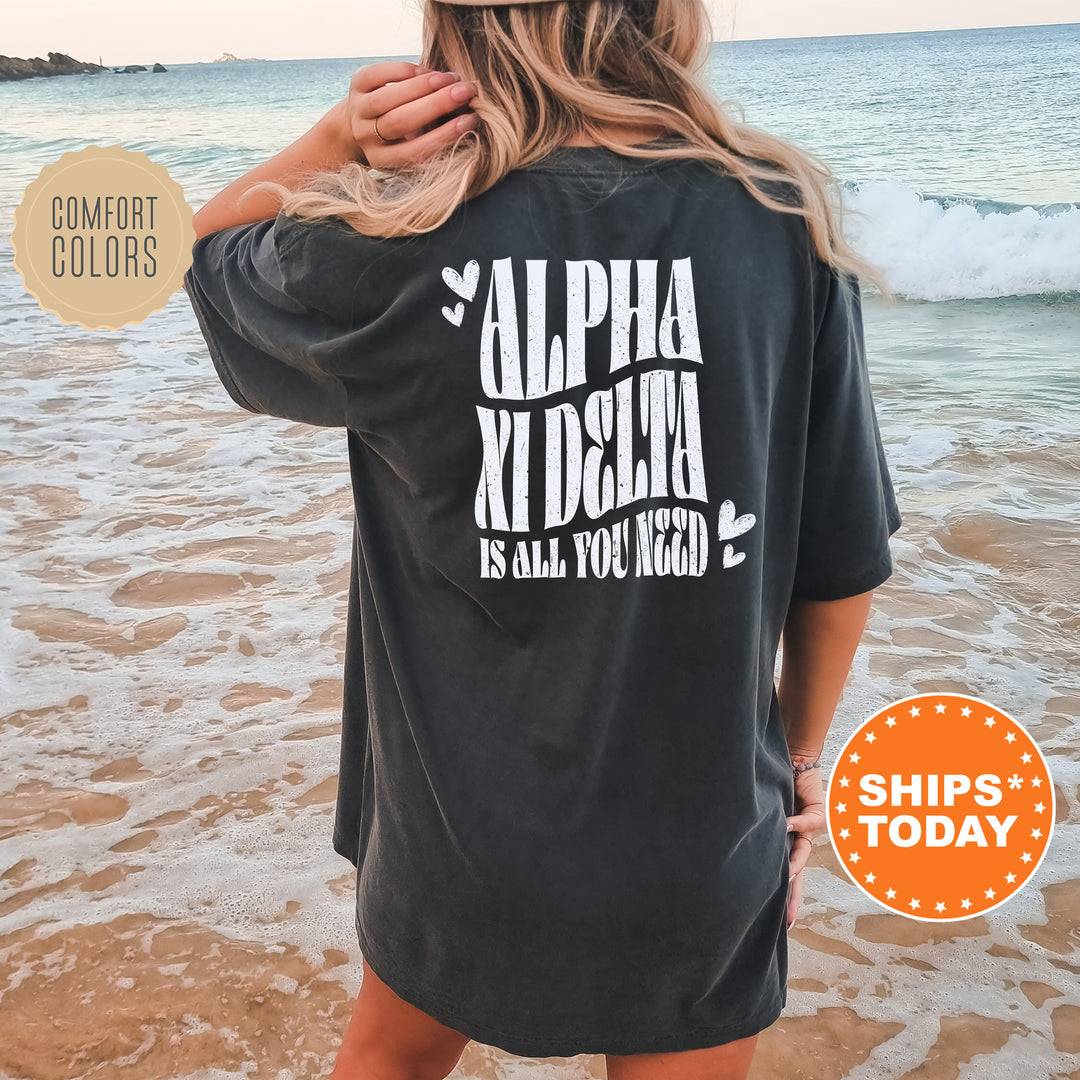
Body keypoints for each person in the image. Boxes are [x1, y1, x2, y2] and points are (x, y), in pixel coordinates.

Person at [182, 0, 903, 1077]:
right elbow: (842, 561)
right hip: (698, 835)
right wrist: (801, 764)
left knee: (387, 1058)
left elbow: (202, 253)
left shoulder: (392, 237)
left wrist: (339, 142)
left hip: (455, 838)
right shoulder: (779, 219)